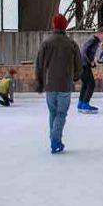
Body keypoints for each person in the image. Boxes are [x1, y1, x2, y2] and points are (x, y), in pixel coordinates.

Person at [35, 14, 82, 153]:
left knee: (53, 112)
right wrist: (75, 77)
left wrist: (40, 82)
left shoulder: (46, 43)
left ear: (54, 25)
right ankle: (55, 139)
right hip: (65, 85)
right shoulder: (71, 43)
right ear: (65, 26)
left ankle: (55, 140)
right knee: (61, 113)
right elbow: (79, 64)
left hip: (50, 85)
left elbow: (39, 65)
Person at [77, 29, 103, 113]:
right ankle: (85, 104)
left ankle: (81, 103)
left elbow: (87, 52)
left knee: (86, 84)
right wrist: (89, 62)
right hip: (84, 65)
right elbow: (84, 52)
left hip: (82, 64)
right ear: (99, 34)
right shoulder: (93, 40)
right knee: (91, 84)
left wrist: (92, 61)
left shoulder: (93, 40)